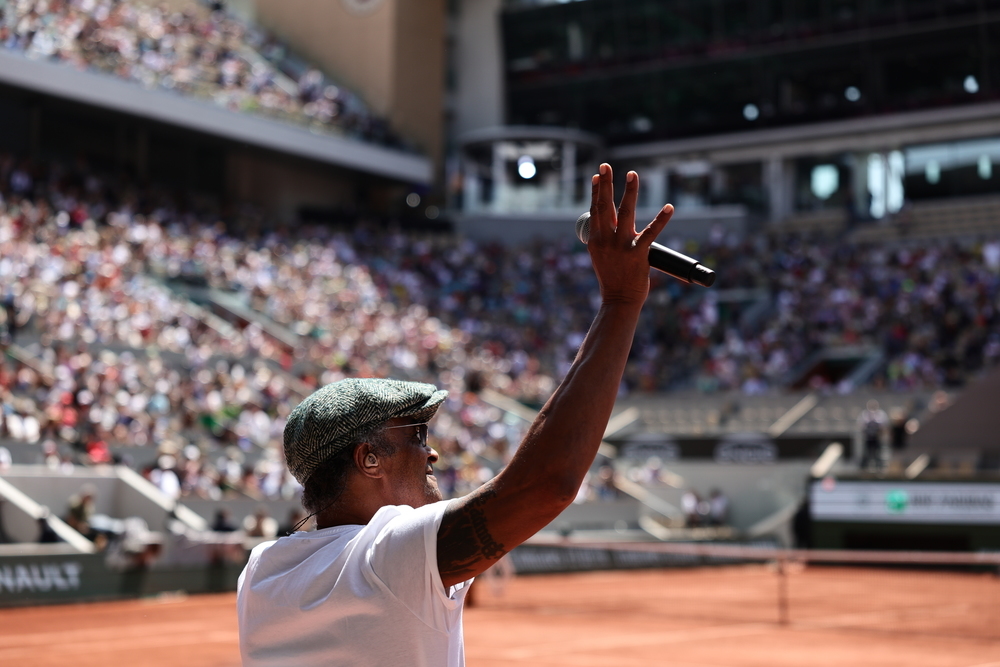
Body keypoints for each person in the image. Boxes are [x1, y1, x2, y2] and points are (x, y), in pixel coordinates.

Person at [236, 164, 674, 666]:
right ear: (368, 459)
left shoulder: (262, 571)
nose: (432, 453)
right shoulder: (386, 555)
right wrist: (620, 302)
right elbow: (546, 485)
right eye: (416, 434)